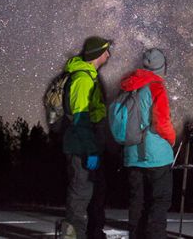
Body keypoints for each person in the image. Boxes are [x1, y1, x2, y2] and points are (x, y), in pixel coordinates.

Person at [119, 48, 176, 239]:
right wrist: (171, 139)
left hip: (132, 155)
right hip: (156, 156)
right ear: (162, 67)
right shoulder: (156, 87)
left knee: (137, 201)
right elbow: (162, 122)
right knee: (159, 201)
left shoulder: (129, 85)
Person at [61, 36, 111, 239]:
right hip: (81, 146)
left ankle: (93, 234)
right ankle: (73, 236)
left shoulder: (90, 77)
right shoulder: (82, 79)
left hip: (89, 144)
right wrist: (90, 150)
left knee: (95, 192)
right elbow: (80, 118)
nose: (109, 54)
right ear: (98, 54)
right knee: (80, 194)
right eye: (106, 50)